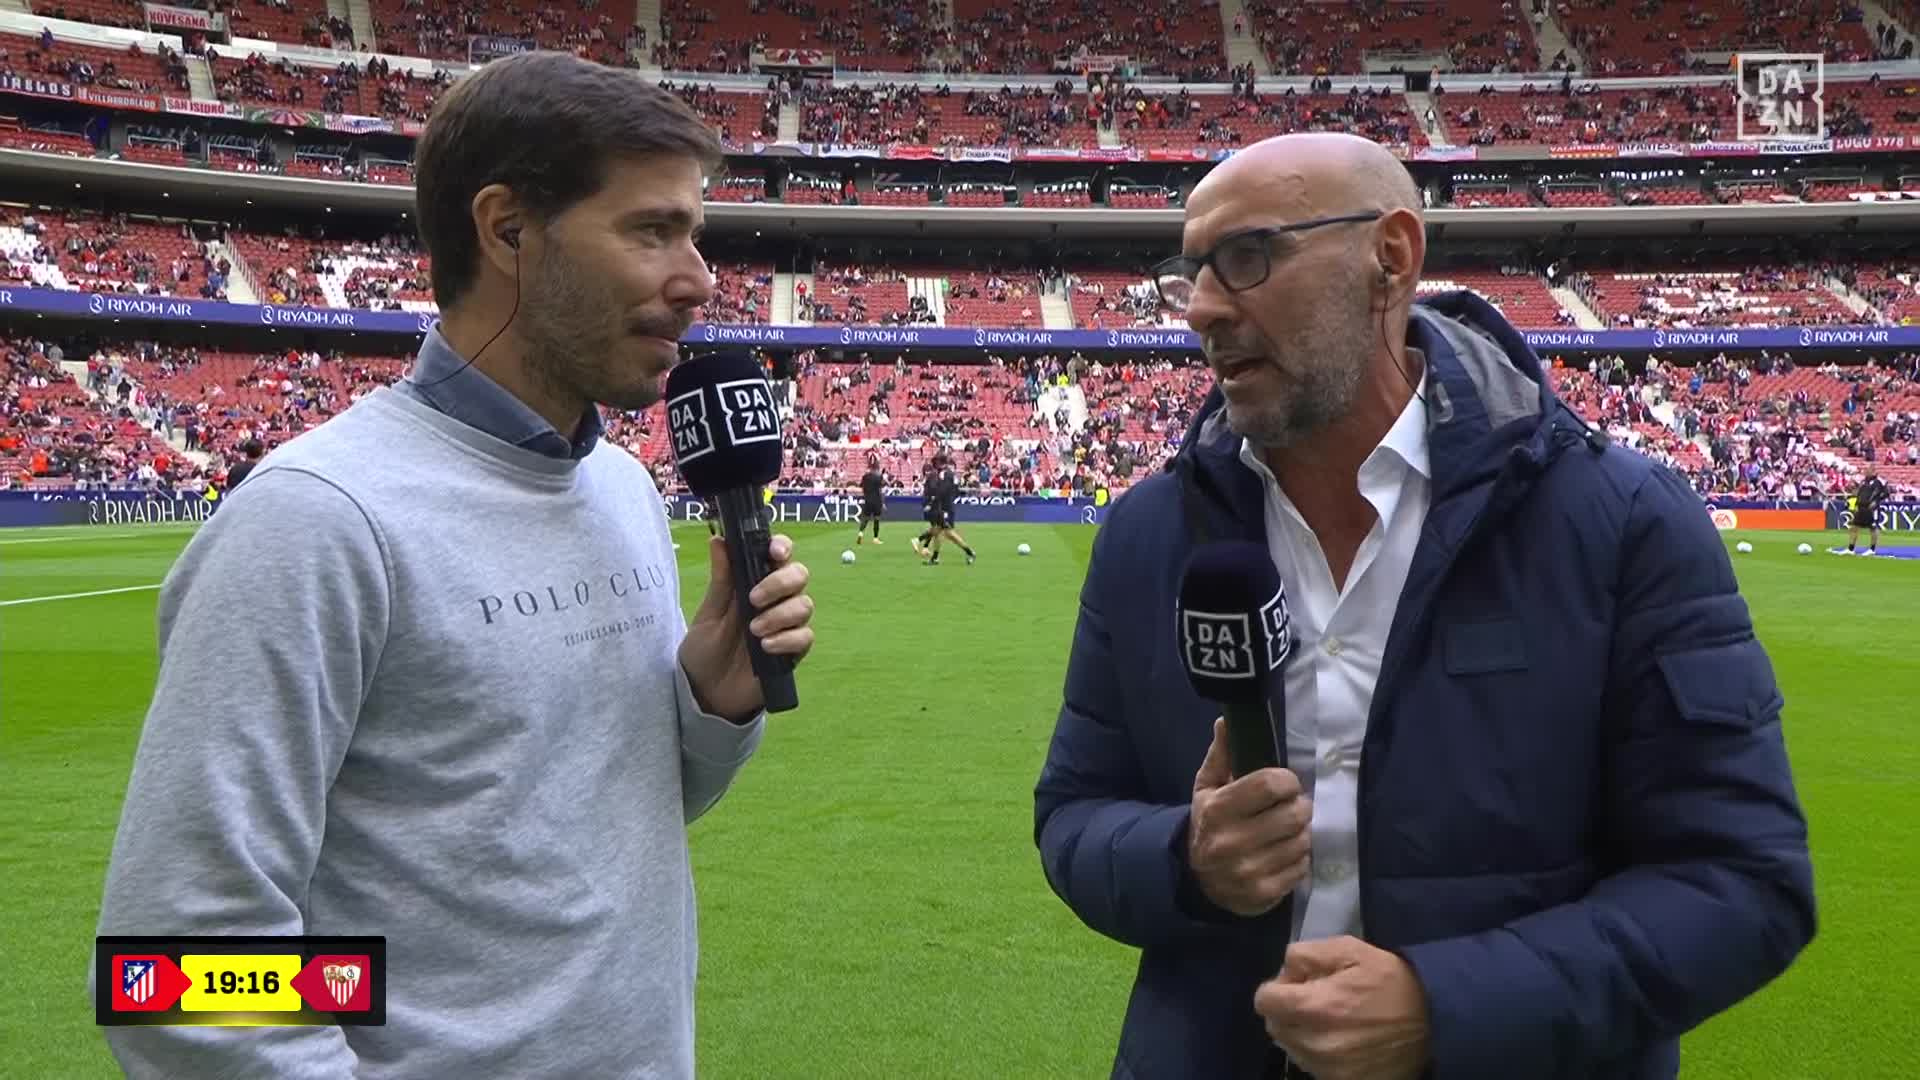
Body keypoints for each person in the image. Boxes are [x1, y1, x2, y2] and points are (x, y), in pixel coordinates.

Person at [94, 51, 817, 1080]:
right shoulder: (318, 520)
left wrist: (709, 706)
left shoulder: (621, 489)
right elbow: (170, 965)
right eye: (653, 230)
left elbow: (589, 834)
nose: (699, 279)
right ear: (507, 229)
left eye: (694, 234)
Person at [1032, 133, 1814, 1080]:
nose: (1201, 308)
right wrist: (1183, 857)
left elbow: (1742, 879)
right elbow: (1072, 816)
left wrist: (1443, 1007)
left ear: (1391, 258)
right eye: (1189, 272)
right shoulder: (1146, 535)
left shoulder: (1621, 522)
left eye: (1246, 257)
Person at [1843, 467, 1890, 555]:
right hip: (1861, 507)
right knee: (1854, 527)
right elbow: (1859, 493)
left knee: (1873, 528)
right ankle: (1851, 549)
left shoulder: (1878, 482)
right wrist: (1856, 504)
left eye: (1868, 471)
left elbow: (1886, 493)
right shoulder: (1864, 481)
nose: (1866, 472)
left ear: (1873, 472)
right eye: (1866, 471)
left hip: (1871, 508)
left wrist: (1876, 501)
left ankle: (1872, 549)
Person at [854, 455, 886, 545]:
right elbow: (881, 489)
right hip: (876, 500)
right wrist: (882, 502)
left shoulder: (865, 476)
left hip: (867, 500)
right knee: (876, 519)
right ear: (877, 468)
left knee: (865, 518)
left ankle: (860, 533)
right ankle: (875, 538)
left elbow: (861, 486)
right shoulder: (878, 477)